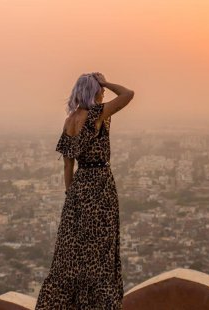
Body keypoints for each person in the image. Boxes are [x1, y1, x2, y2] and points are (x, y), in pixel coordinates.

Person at [35, 72, 135, 309]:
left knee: (72, 253)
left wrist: (72, 198)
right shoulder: (97, 114)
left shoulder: (70, 120)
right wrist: (106, 82)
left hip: (79, 187)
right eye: (99, 89)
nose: (102, 93)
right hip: (99, 185)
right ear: (94, 90)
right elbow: (128, 95)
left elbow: (68, 164)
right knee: (99, 253)